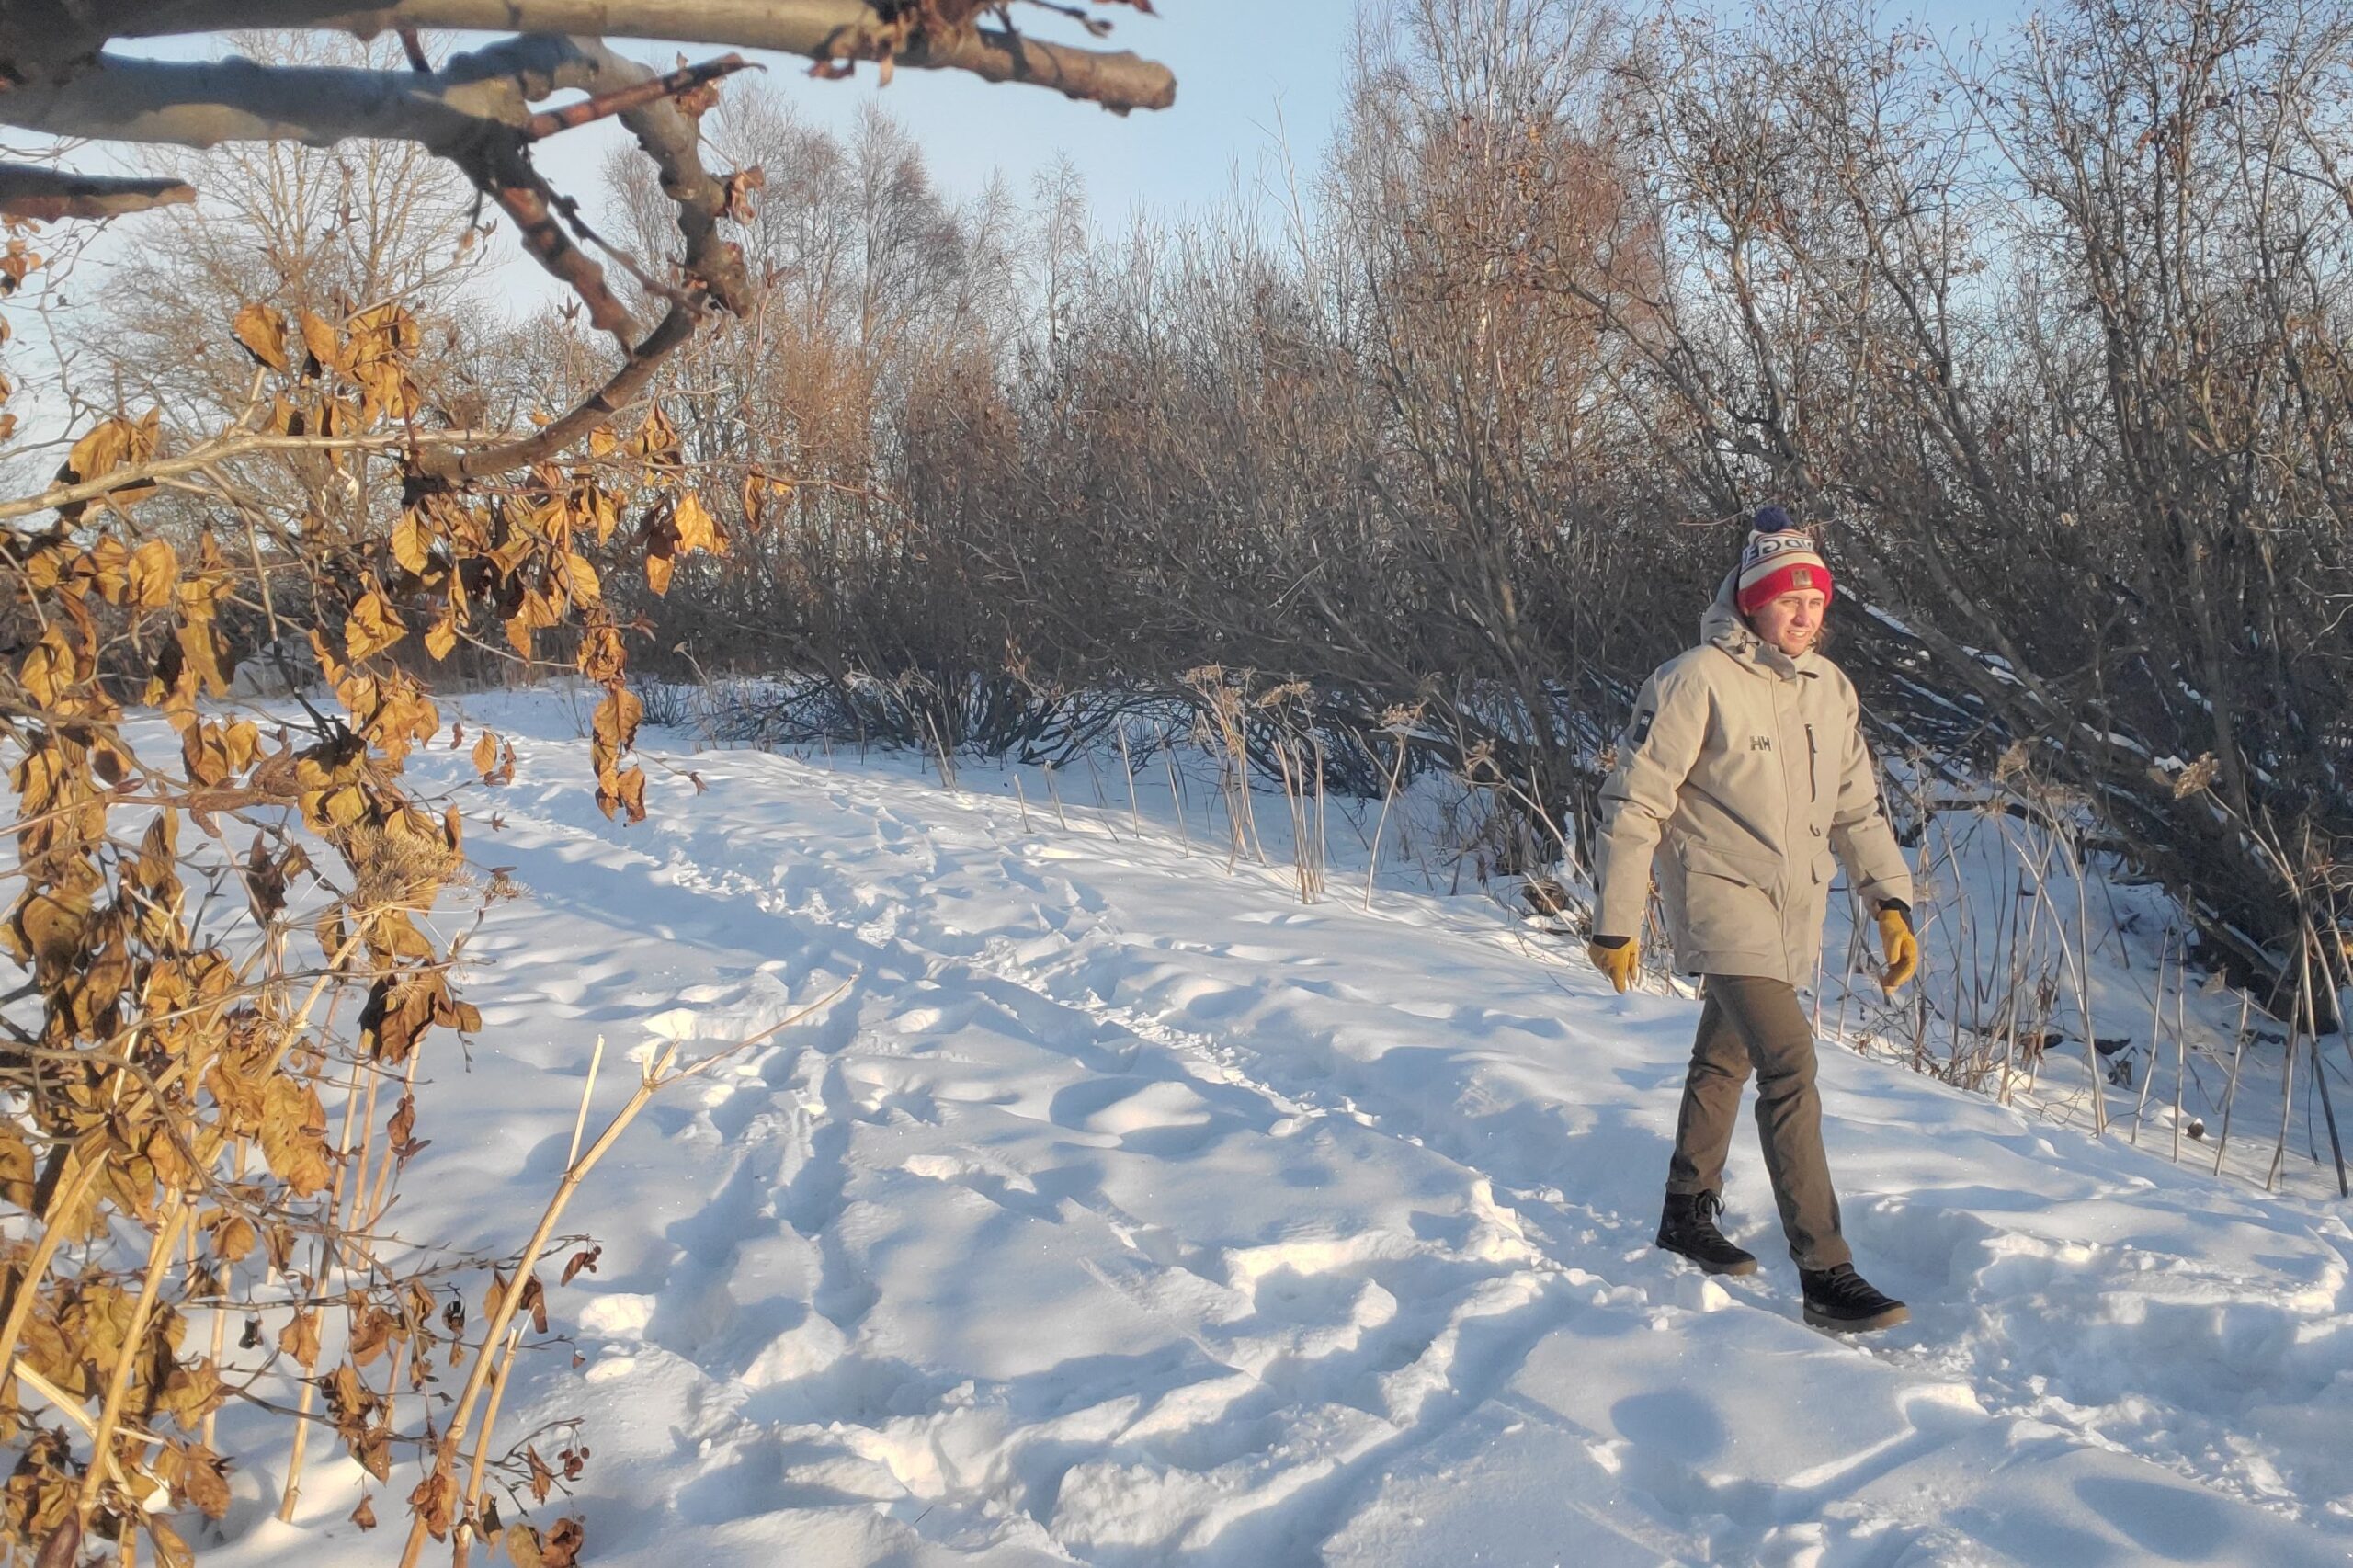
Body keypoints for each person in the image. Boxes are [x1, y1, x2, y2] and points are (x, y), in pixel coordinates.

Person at [1586, 506, 1921, 1333]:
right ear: (1750, 602)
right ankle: (1825, 1271)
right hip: (1719, 894)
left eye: (1816, 601)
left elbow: (1857, 810)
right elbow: (1636, 800)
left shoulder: (1829, 689)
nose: (1805, 615)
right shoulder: (1696, 678)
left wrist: (1889, 901)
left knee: (1724, 1057)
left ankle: (1685, 1211)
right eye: (1786, 600)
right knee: (1789, 1062)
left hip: (1794, 909)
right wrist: (1616, 918)